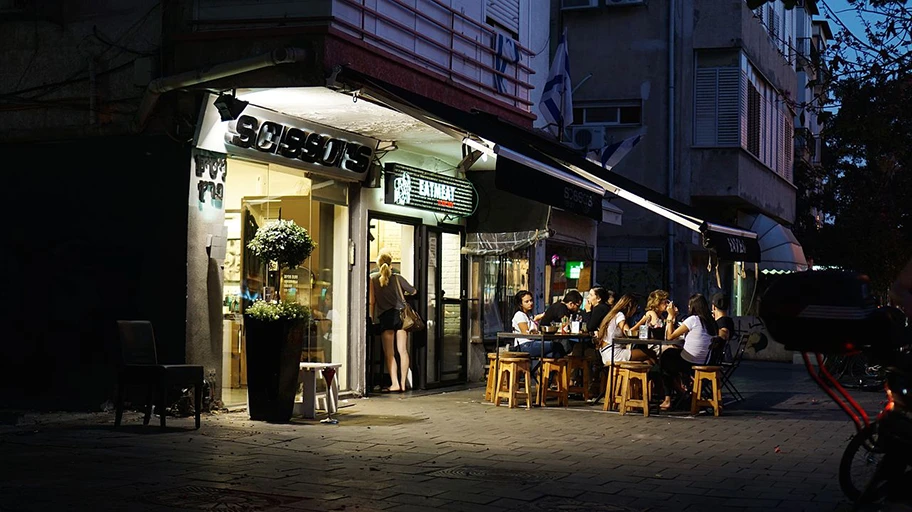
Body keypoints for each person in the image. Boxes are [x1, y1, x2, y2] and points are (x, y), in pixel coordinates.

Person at [658, 293, 718, 410]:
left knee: (664, 359)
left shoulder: (693, 320)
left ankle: (668, 398)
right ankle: (682, 391)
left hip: (690, 362)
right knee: (671, 355)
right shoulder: (711, 322)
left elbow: (670, 336)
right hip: (703, 361)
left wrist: (670, 317)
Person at [369, 248, 417, 393]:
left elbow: (372, 301)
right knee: (402, 351)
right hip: (401, 317)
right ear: (391, 263)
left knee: (389, 353)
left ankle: (394, 383)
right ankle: (403, 383)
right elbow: (414, 291)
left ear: (378, 263)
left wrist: (371, 318)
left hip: (385, 317)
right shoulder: (398, 278)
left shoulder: (373, 279)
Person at [596, 294, 658, 367]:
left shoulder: (612, 315)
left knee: (647, 360)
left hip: (606, 353)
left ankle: (645, 376)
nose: (635, 310)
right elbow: (628, 333)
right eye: (635, 307)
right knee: (651, 353)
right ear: (630, 306)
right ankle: (659, 377)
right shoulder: (620, 315)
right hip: (614, 354)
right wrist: (642, 321)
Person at [512, 290, 566, 359]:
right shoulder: (519, 315)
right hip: (524, 345)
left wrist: (536, 320)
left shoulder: (529, 315)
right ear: (520, 304)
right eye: (527, 301)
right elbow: (526, 334)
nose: (530, 303)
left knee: (554, 354)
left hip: (533, 343)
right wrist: (536, 332)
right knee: (556, 346)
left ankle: (547, 369)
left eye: (531, 300)